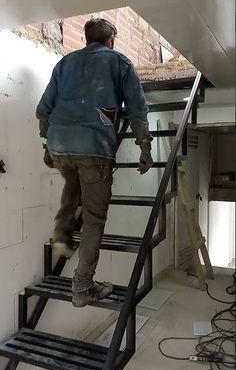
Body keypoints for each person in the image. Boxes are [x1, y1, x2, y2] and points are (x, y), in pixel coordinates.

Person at [36, 18, 153, 307]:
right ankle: (82, 287)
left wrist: (47, 140)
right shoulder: (120, 62)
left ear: (87, 39)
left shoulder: (65, 63)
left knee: (73, 183)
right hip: (94, 149)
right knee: (93, 218)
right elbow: (137, 109)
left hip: (61, 145)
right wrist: (145, 148)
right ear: (111, 38)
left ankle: (62, 231)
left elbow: (43, 108)